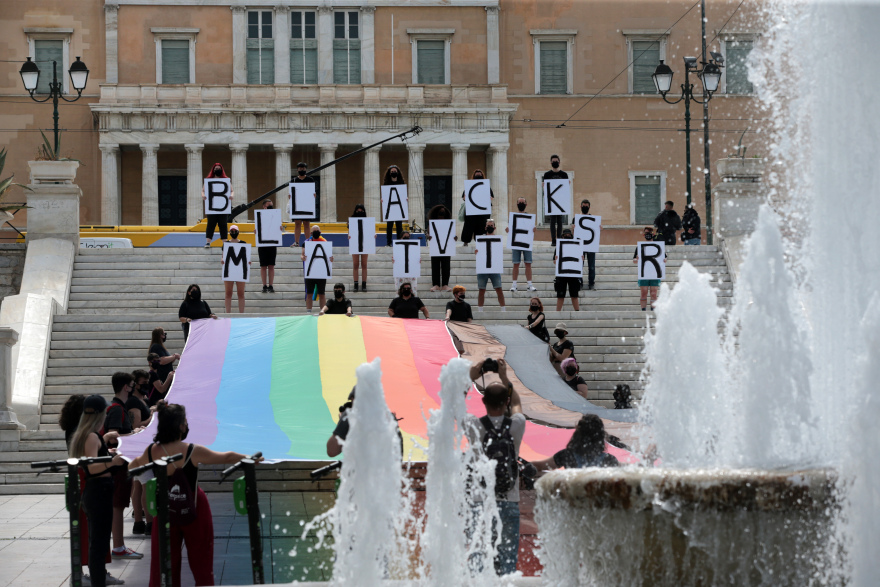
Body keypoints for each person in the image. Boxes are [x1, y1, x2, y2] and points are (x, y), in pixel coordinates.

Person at [127, 400, 263, 587]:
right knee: (202, 562)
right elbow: (227, 456)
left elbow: (133, 466)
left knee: (163, 563)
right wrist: (249, 458)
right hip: (195, 508)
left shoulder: (152, 451)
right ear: (181, 425)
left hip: (165, 511)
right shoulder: (192, 450)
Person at [465, 358, 525, 576]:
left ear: (483, 401)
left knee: (478, 559)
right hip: (509, 502)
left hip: (481, 502)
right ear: (506, 401)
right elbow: (517, 404)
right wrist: (504, 377)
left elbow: (454, 402)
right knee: (507, 564)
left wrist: (473, 374)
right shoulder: (516, 425)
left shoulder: (474, 426)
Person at [69, 394, 128, 587]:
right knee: (99, 545)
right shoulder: (91, 436)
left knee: (98, 543)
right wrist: (114, 461)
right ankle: (98, 583)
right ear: (100, 414)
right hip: (98, 491)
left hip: (96, 492)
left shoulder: (86, 434)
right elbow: (93, 468)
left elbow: (91, 458)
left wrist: (106, 449)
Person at [103, 372, 144, 561]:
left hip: (120, 465)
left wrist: (134, 432)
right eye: (132, 384)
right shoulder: (117, 409)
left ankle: (119, 545)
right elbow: (113, 436)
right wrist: (136, 435)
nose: (135, 386)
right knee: (118, 505)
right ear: (126, 387)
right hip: (118, 466)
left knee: (118, 505)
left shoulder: (117, 407)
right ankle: (118, 546)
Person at [530, 414, 619, 472]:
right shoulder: (609, 460)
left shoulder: (567, 456)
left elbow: (541, 465)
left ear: (578, 434)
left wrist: (525, 466)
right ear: (601, 436)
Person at [128, 370, 155, 536]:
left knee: (138, 484)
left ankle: (139, 522)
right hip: (140, 448)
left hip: (141, 447)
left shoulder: (142, 400)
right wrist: (153, 415)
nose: (146, 385)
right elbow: (136, 425)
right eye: (143, 382)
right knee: (145, 484)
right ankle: (149, 522)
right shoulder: (134, 402)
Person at [475, 218, 506, 312]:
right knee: (481, 290)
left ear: (495, 227)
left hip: (495, 268)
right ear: (485, 227)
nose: (490, 227)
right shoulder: (480, 239)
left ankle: (503, 309)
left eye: (491, 225)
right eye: (488, 225)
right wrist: (476, 252)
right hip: (483, 268)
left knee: (499, 289)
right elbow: (479, 252)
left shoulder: (498, 240)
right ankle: (480, 310)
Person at [506, 197, 537, 292]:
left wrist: (534, 229)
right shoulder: (513, 217)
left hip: (526, 243)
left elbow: (531, 229)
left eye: (522, 202)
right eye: (519, 202)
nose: (521, 204)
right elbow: (510, 229)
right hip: (516, 243)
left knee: (528, 263)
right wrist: (508, 230)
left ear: (526, 204)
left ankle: (530, 284)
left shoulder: (529, 217)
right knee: (516, 264)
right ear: (517, 204)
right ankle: (514, 284)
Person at [301, 224, 333, 313]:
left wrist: (331, 259)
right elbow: (302, 253)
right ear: (311, 233)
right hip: (310, 272)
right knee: (309, 293)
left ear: (320, 232)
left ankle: (322, 312)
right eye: (313, 231)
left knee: (322, 293)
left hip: (321, 272)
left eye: (317, 231)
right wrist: (302, 257)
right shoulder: (306, 242)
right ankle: (308, 312)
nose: (315, 232)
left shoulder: (324, 242)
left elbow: (329, 256)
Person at [633, 226, 665, 311]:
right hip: (644, 273)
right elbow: (634, 260)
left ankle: (653, 311)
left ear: (653, 234)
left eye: (649, 233)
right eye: (646, 233)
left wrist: (665, 260)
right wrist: (636, 259)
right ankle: (643, 311)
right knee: (643, 293)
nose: (647, 235)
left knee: (654, 293)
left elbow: (664, 258)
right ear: (643, 234)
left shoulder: (659, 246)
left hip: (655, 273)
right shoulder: (640, 246)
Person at [202, 163, 232, 248]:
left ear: (222, 170)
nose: (217, 170)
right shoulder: (209, 180)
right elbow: (203, 190)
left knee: (223, 224)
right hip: (212, 207)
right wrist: (203, 195)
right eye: (216, 168)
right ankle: (208, 242)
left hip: (223, 207)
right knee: (210, 224)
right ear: (213, 170)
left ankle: (224, 242)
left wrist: (232, 195)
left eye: (219, 168)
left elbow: (232, 190)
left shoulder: (226, 180)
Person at [427, 203, 455, 292]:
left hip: (446, 247)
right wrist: (428, 236)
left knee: (446, 265)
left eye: (443, 213)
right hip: (436, 247)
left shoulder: (449, 223)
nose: (441, 214)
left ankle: (445, 284)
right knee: (435, 265)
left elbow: (452, 234)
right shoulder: (432, 223)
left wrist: (454, 238)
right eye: (440, 213)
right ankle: (436, 284)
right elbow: (428, 232)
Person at [461, 169, 493, 246]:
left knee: (482, 226)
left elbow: (491, 197)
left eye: (480, 173)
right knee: (468, 226)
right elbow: (464, 197)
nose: (478, 174)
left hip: (483, 210)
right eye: (477, 173)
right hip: (471, 210)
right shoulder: (469, 185)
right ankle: (466, 241)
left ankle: (480, 242)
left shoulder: (486, 186)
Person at [221, 224, 249, 313]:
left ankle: (241, 313)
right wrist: (222, 259)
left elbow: (246, 257)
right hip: (230, 270)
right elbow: (223, 256)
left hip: (240, 270)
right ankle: (228, 313)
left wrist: (248, 262)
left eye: (235, 231)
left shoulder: (243, 243)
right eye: (232, 231)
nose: (233, 232)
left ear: (238, 232)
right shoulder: (226, 244)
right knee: (228, 293)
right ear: (229, 232)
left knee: (241, 293)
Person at [553, 227, 582, 311]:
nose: (567, 236)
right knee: (560, 295)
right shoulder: (559, 246)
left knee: (574, 295)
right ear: (562, 237)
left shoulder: (577, 245)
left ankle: (577, 312)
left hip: (573, 274)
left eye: (568, 235)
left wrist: (581, 258)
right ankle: (557, 313)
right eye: (565, 235)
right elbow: (554, 261)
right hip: (562, 274)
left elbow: (580, 259)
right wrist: (556, 259)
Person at [542, 154, 569, 247]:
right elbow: (545, 188)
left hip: (561, 200)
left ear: (559, 162)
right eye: (553, 161)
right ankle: (553, 239)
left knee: (560, 220)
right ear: (550, 163)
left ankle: (559, 238)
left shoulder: (564, 175)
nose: (555, 162)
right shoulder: (547, 175)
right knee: (553, 220)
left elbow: (566, 188)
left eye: (556, 161)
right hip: (551, 200)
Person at [290, 161, 316, 247]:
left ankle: (308, 242)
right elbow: (292, 192)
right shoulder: (294, 180)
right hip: (297, 205)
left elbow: (312, 192)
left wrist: (314, 195)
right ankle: (296, 242)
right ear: (297, 170)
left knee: (306, 224)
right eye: (300, 168)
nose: (302, 169)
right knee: (297, 223)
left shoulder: (310, 179)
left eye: (303, 168)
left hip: (306, 205)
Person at [258, 199, 281, 292]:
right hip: (262, 244)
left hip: (272, 243)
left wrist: (280, 228)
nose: (271, 207)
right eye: (269, 206)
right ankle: (264, 285)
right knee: (263, 266)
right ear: (264, 207)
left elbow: (277, 229)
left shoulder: (275, 215)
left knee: (271, 265)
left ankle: (271, 285)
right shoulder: (259, 215)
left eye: (272, 205)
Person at [348, 203, 371, 292]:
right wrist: (349, 236)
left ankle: (364, 284)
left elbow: (370, 232)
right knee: (355, 264)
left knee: (364, 264)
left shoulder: (368, 221)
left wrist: (374, 235)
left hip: (365, 243)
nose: (360, 212)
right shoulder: (351, 221)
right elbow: (350, 231)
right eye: (358, 210)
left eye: (361, 210)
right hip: (355, 243)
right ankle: (356, 284)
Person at [382, 165, 406, 246]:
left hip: (399, 208)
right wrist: (383, 199)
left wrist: (405, 199)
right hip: (390, 208)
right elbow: (385, 194)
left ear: (398, 172)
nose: (393, 173)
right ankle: (389, 242)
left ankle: (399, 241)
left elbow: (402, 194)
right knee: (389, 227)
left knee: (399, 226)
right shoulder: (386, 183)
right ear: (389, 173)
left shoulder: (401, 182)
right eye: (392, 172)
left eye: (395, 171)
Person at [392, 229, 420, 295]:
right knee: (399, 290)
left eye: (408, 237)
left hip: (411, 271)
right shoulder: (397, 247)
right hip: (400, 271)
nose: (406, 238)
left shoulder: (413, 247)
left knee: (413, 290)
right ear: (401, 237)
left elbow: (416, 258)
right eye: (405, 237)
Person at [579, 199, 597, 290]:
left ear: (589, 207)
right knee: (579, 265)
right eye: (583, 206)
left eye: (586, 206)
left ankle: (591, 283)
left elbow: (596, 231)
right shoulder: (576, 218)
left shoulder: (593, 218)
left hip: (590, 246)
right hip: (580, 246)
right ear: (580, 207)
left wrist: (599, 227)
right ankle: (579, 282)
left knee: (592, 266)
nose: (585, 207)